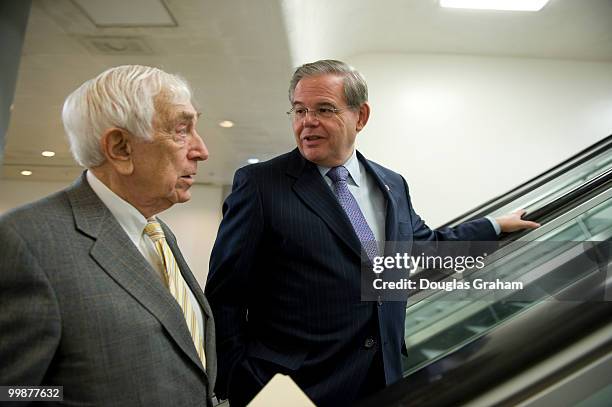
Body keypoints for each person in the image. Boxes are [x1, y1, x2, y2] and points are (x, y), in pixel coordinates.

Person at [205, 59, 539, 406]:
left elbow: (424, 247)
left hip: (382, 379)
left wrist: (495, 226)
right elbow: (224, 294)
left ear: (360, 116)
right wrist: (241, 382)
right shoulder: (260, 186)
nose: (308, 122)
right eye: (299, 110)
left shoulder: (391, 184)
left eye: (324, 109)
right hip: (292, 390)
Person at [0, 65, 217, 406]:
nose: (201, 150)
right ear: (120, 148)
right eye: (181, 130)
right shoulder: (26, 241)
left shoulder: (159, 234)